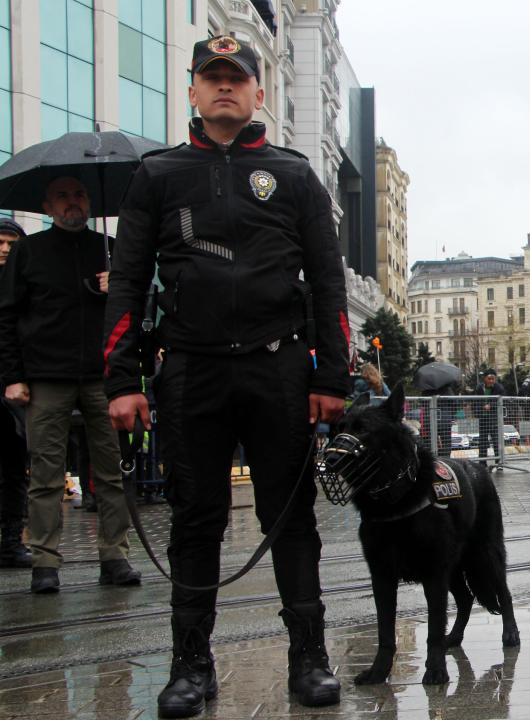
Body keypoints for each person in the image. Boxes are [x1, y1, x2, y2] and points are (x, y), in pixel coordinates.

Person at [103, 37, 349, 715]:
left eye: (236, 79)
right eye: (211, 78)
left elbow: (328, 282)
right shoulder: (158, 174)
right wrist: (121, 381)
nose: (224, 88)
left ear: (258, 93)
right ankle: (190, 666)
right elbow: (127, 282)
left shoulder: (294, 174)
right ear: (192, 91)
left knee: (290, 519)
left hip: (278, 368)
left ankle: (309, 658)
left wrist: (332, 377)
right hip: (191, 369)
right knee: (195, 519)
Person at [0, 178, 140, 594]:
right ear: (48, 206)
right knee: (46, 473)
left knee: (111, 471)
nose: (71, 203)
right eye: (61, 196)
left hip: (103, 377)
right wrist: (13, 376)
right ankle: (45, 560)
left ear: (89, 201)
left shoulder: (110, 249)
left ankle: (115, 556)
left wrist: (117, 290)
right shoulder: (28, 251)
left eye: (78, 195)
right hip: (46, 376)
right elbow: (7, 316)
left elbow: (138, 310)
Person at [0, 218, 30, 568]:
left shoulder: (26, 284)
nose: (5, 250)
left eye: (12, 243)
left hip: (16, 387)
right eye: (1, 243)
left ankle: (11, 541)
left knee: (14, 465)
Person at [472, 369, 505, 460]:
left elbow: (502, 401)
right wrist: (478, 410)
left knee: (496, 440)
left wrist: (491, 406)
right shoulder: (479, 387)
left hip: (494, 419)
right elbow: (475, 401)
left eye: (493, 379)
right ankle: (482, 461)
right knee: (482, 441)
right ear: (484, 378)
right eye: (489, 378)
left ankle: (499, 461)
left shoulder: (499, 388)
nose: (491, 381)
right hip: (483, 418)